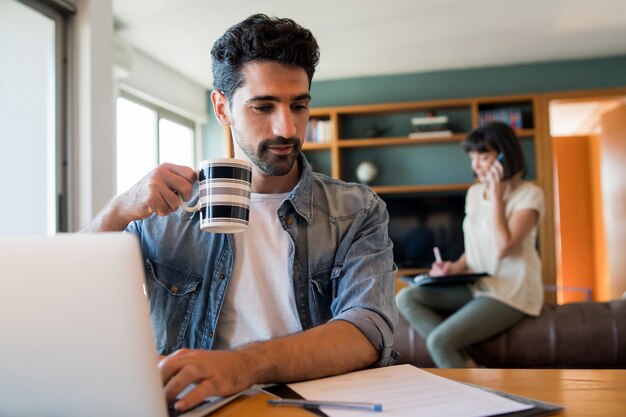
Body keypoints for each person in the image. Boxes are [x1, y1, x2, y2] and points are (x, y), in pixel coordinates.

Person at [83, 14, 397, 412]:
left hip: (318, 407)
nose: (287, 128)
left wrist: (243, 366)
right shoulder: (165, 209)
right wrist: (117, 210)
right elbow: (69, 296)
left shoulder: (357, 210)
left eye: (299, 106)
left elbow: (368, 330)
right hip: (193, 406)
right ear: (222, 108)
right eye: (263, 106)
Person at [395, 121, 545, 368]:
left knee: (440, 342)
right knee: (406, 298)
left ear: (504, 156)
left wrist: (496, 199)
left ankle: (472, 382)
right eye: (472, 157)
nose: (475, 165)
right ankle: (468, 362)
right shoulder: (475, 193)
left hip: (511, 291)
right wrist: (453, 268)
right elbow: (477, 246)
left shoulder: (529, 195)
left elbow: (502, 247)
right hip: (478, 285)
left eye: (483, 157)